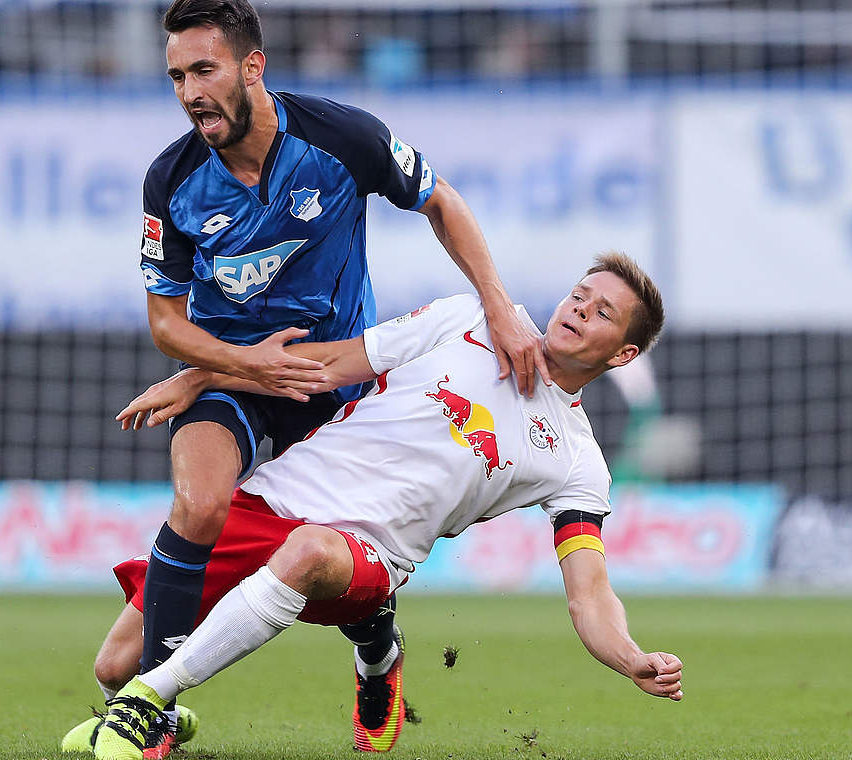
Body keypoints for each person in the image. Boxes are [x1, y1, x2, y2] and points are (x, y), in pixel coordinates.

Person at [124, 1, 548, 753]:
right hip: (233, 381)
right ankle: (151, 713)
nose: (189, 91)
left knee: (339, 566)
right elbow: (165, 322)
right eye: (176, 76)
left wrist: (500, 306)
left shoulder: (340, 136)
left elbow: (440, 200)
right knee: (196, 502)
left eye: (204, 70)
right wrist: (233, 366)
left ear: (252, 66)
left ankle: (378, 653)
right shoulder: (172, 179)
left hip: (338, 388)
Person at [77, 253, 683, 760]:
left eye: (602, 312)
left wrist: (631, 658)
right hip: (274, 501)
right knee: (113, 664)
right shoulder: (467, 318)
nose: (579, 309)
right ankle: (375, 650)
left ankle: (149, 702)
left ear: (623, 355)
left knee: (306, 552)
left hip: (368, 557)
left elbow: (590, 592)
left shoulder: (578, 461)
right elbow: (332, 364)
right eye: (580, 295)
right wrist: (202, 377)